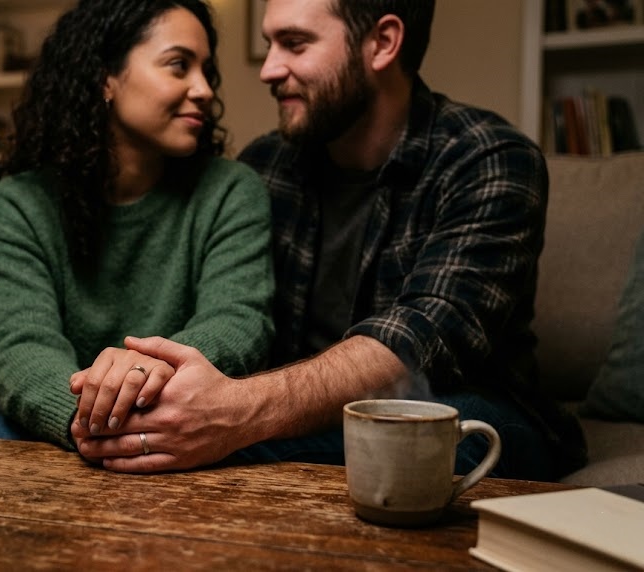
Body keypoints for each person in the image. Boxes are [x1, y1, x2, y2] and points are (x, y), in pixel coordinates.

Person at [72, 0, 588, 481]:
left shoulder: (488, 160)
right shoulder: (265, 166)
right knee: (171, 433)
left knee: (430, 427)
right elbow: (231, 310)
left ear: (382, 43)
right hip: (292, 418)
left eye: (294, 44)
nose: (268, 69)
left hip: (465, 413)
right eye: (269, 44)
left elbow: (416, 345)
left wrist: (234, 414)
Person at [0, 0, 275, 448]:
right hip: (67, 422)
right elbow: (19, 345)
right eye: (179, 65)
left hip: (184, 410)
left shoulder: (231, 190)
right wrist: (88, 418)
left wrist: (145, 374)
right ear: (105, 78)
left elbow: (237, 320)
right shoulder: (17, 205)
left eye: (206, 71)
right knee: (0, 439)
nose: (204, 90)